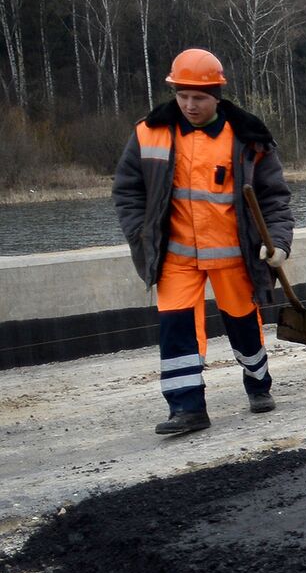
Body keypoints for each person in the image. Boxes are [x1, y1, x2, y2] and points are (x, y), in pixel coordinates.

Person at [112, 48, 293, 435]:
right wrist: (139, 235)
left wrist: (277, 243)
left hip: (233, 258)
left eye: (199, 97)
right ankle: (187, 408)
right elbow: (127, 191)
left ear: (217, 95)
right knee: (176, 329)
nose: (190, 105)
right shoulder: (149, 133)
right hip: (176, 258)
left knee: (245, 326)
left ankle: (258, 383)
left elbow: (274, 198)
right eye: (182, 96)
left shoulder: (247, 138)